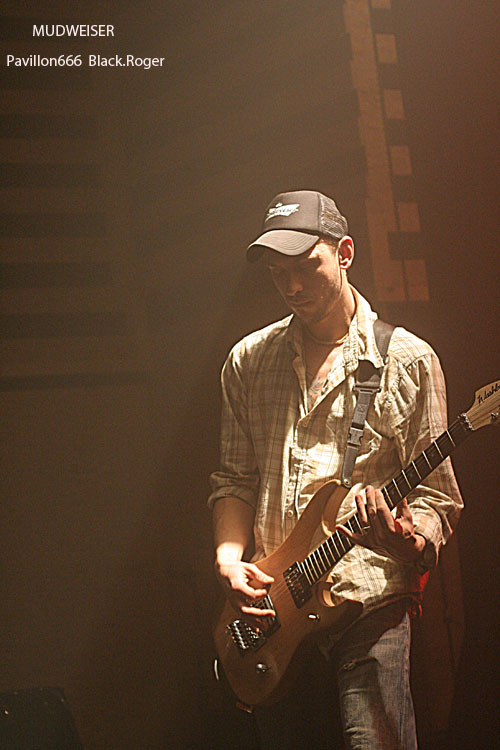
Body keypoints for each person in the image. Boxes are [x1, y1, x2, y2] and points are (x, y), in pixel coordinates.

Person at [209, 190, 463, 749]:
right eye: (279, 274)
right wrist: (229, 561)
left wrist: (406, 540)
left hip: (368, 601)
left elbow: (437, 499)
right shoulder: (248, 360)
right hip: (276, 607)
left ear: (345, 252)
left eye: (307, 267)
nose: (293, 286)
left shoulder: (408, 360)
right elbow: (234, 480)